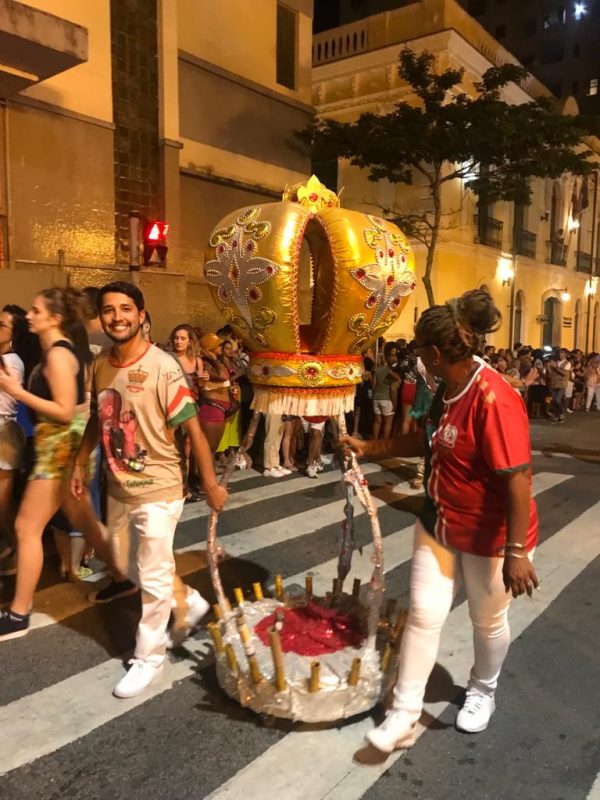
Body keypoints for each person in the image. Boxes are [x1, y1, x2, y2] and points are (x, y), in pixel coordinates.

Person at [341, 289, 539, 753]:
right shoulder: (444, 389)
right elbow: (427, 441)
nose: (418, 359)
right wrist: (370, 448)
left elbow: (518, 479)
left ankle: (483, 690)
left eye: (418, 351)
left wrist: (514, 553)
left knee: (486, 620)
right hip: (440, 522)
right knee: (424, 615)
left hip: (492, 535)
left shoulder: (494, 399)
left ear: (433, 353)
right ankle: (404, 714)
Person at [70, 281, 227, 697]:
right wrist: (79, 459)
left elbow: (192, 427)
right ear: (101, 318)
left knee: (153, 579)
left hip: (159, 485)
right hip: (118, 486)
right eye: (108, 310)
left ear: (141, 315)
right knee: (123, 563)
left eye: (125, 308)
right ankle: (189, 600)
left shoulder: (163, 367)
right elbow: (97, 417)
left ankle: (148, 657)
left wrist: (210, 483)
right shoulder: (101, 363)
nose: (116, 316)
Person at [0, 288, 125, 640]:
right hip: (61, 445)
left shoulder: (57, 354)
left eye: (36, 310)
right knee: (84, 518)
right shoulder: (58, 351)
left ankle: (18, 613)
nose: (29, 314)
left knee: (26, 527)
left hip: (59, 447)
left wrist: (16, 391)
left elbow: (65, 410)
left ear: (54, 318)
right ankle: (120, 576)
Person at [0, 306, 26, 576]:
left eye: (2, 325)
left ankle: (21, 548)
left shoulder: (12, 362)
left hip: (4, 434)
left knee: (3, 502)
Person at [372, 342, 399, 440]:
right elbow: (394, 386)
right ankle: (384, 443)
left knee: (377, 422)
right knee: (388, 423)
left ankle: (374, 441)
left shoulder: (377, 370)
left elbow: (373, 385)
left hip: (376, 398)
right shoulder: (390, 370)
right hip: (387, 399)